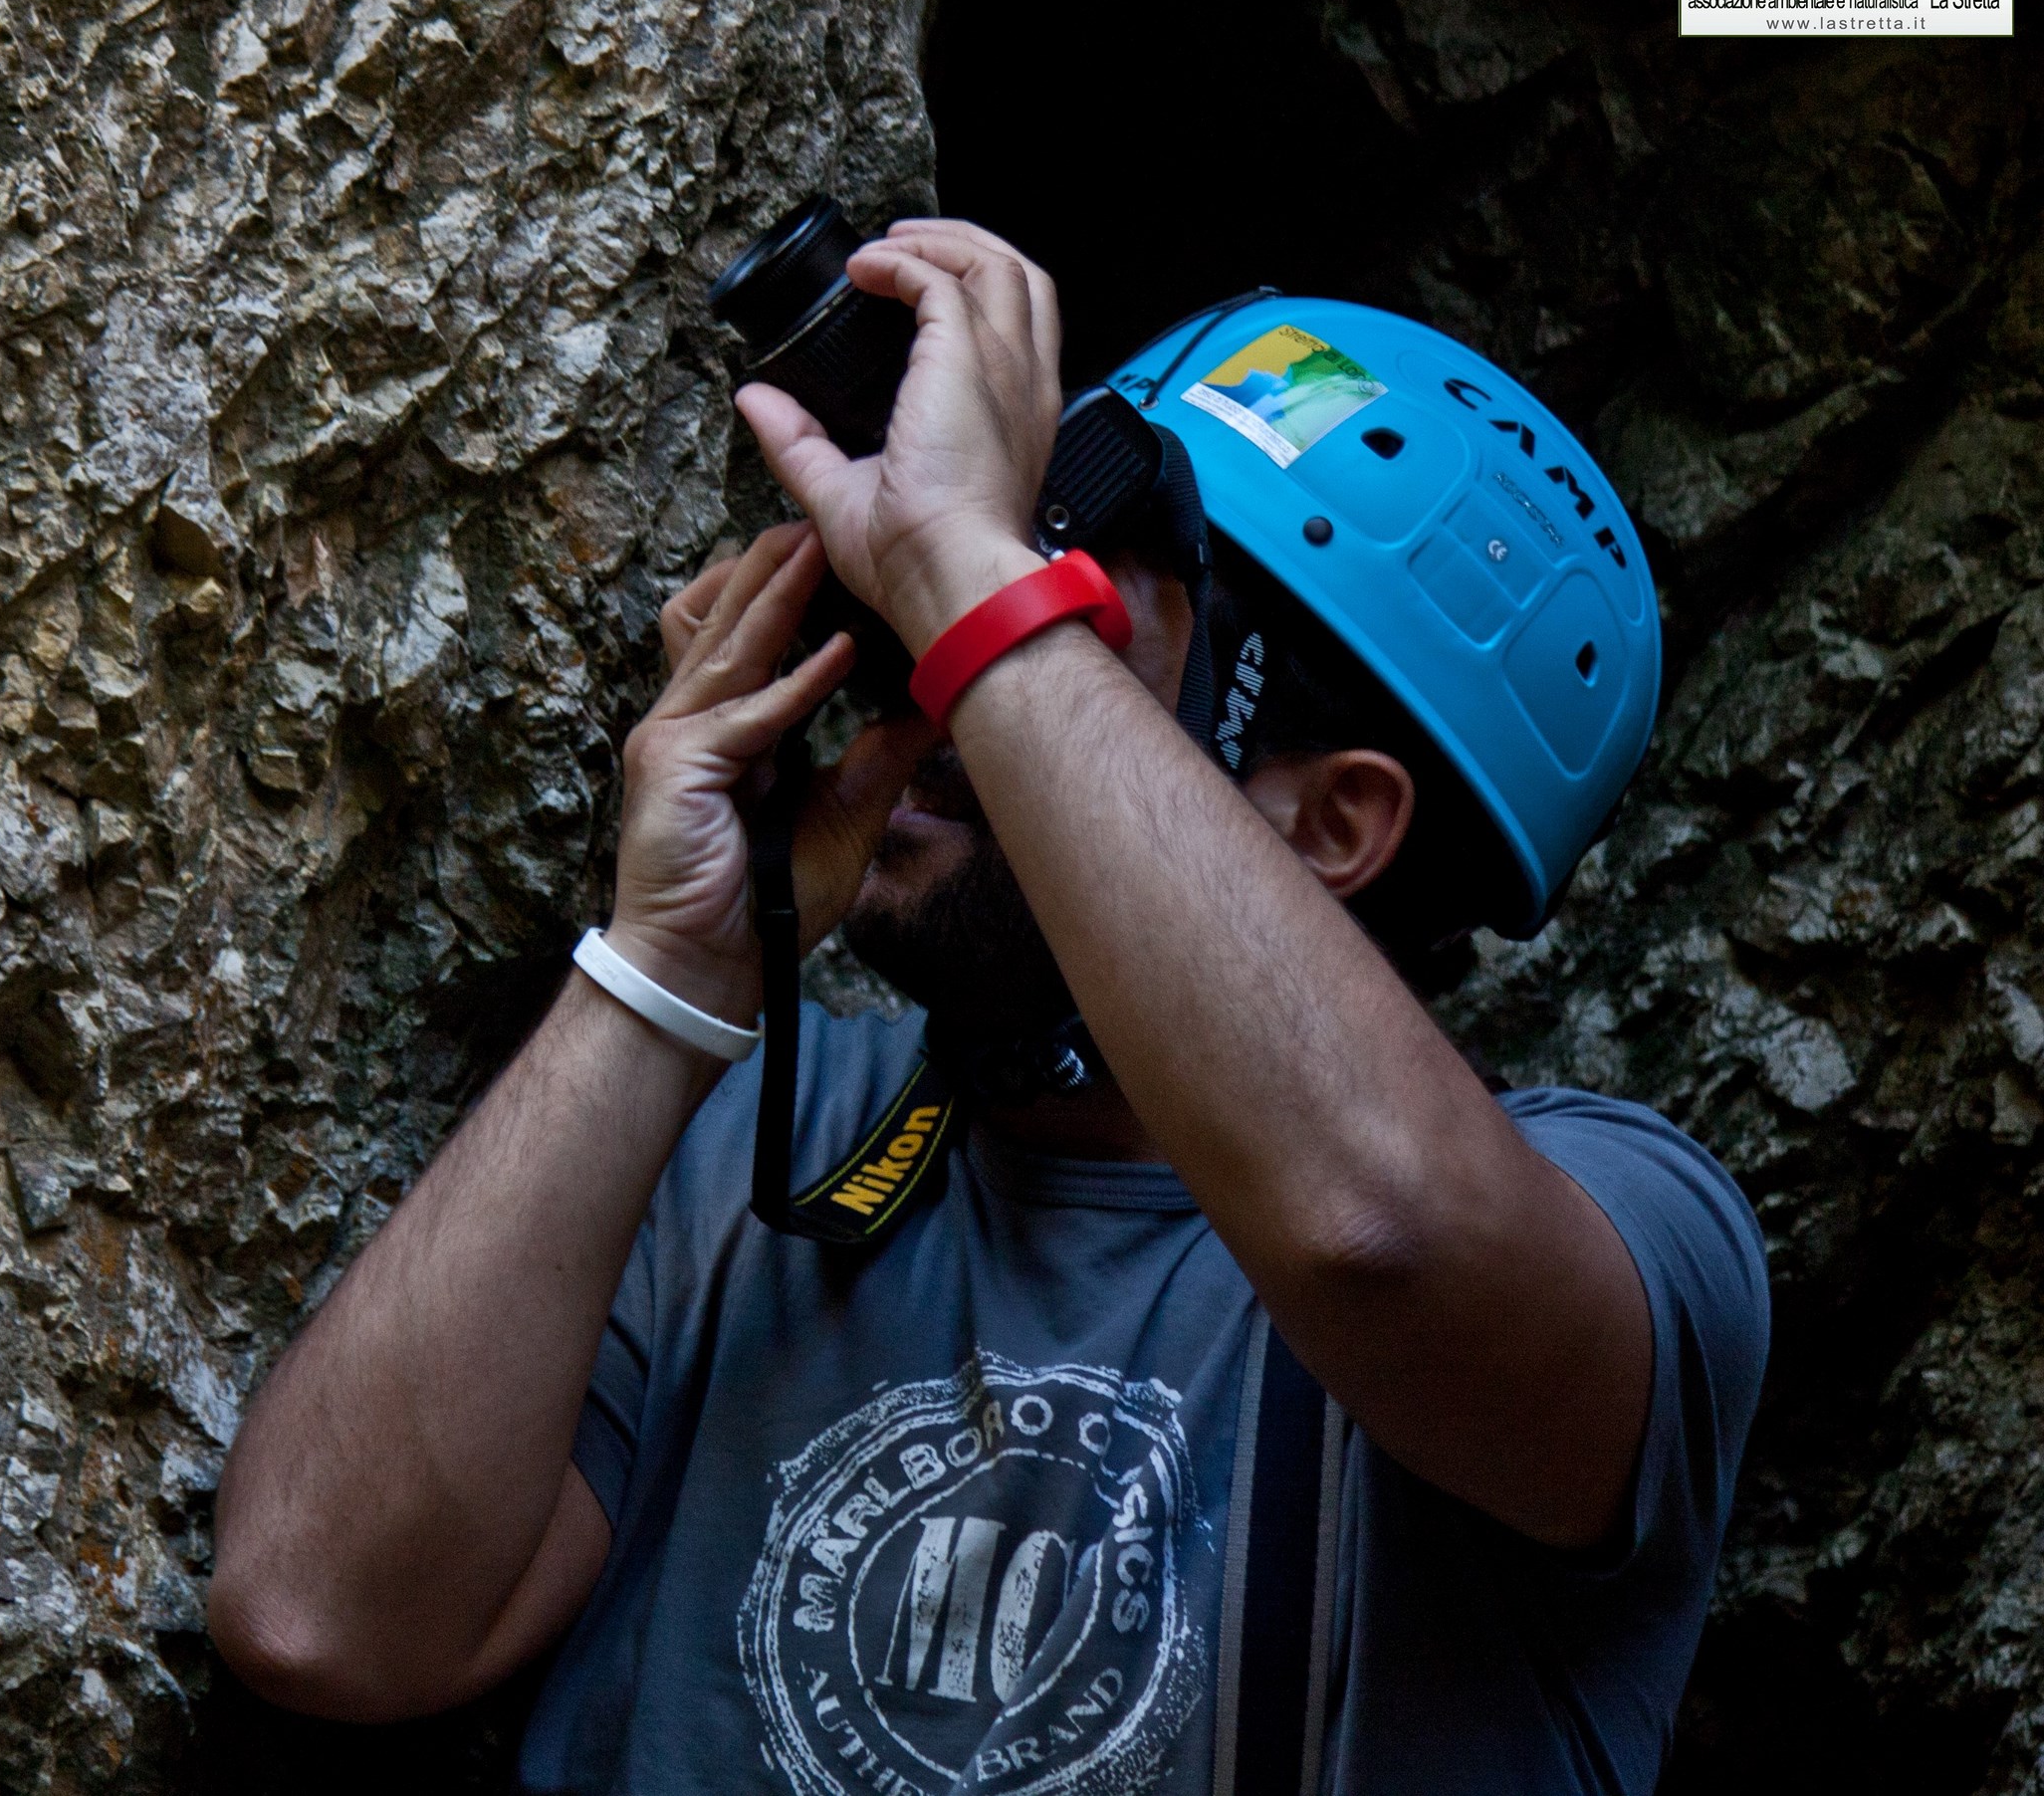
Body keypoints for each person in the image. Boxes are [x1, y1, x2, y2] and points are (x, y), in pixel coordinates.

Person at [206, 218, 1769, 1796]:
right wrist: (668, 974)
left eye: (1073, 600)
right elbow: (320, 1612)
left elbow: (1378, 1228)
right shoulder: (762, 1142)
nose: (943, 668)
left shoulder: (1633, 1232)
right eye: (983, 595)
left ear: (1333, 820)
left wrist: (970, 571)